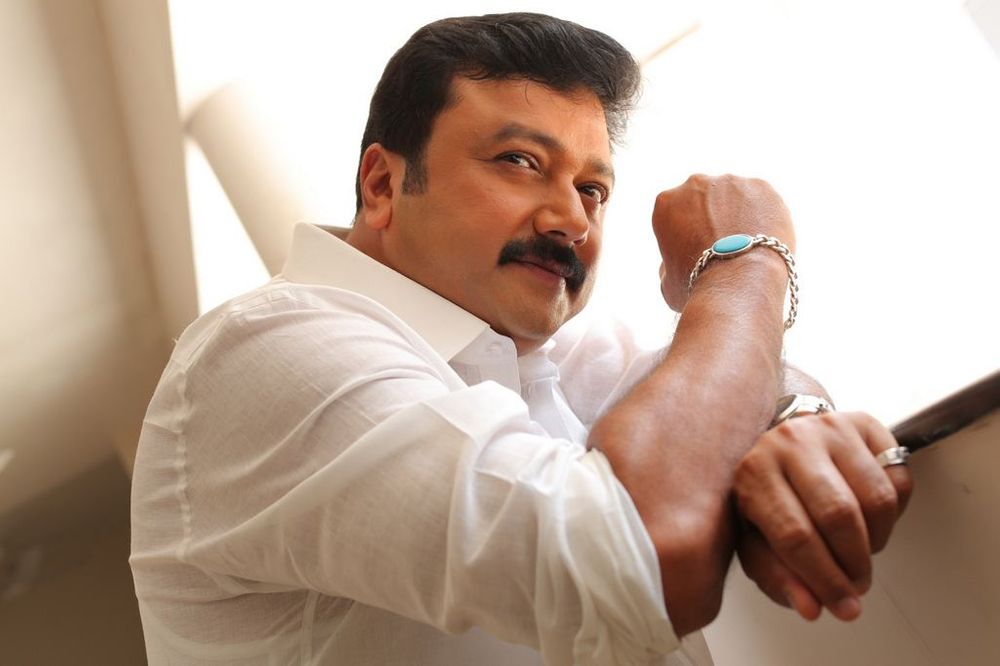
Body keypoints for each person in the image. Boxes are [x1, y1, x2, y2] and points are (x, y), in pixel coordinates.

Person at [130, 12, 913, 665]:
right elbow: (641, 559)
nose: (571, 219)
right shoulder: (267, 350)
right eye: (520, 161)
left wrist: (798, 424)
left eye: (592, 189)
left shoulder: (563, 352)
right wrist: (746, 264)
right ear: (383, 184)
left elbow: (733, 390)